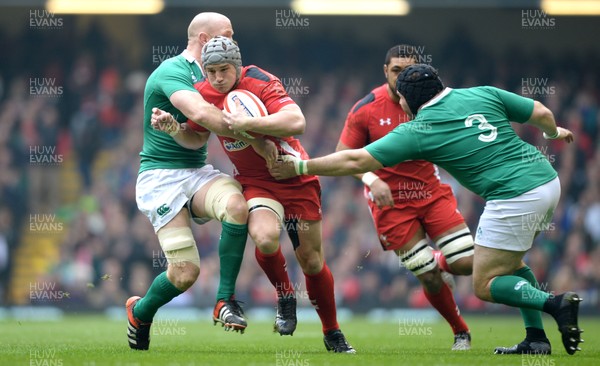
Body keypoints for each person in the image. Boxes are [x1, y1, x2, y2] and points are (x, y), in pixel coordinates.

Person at [270, 63, 583, 356]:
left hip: (514, 196)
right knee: (509, 263)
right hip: (546, 180)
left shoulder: (418, 130)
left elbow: (355, 159)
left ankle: (556, 304)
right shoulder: (481, 92)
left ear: (406, 101)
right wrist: (554, 134)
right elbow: (541, 111)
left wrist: (300, 165)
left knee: (485, 284)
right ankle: (536, 338)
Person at [152, 36, 355, 353]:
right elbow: (195, 138)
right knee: (263, 236)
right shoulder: (204, 93)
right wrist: (174, 128)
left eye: (224, 70)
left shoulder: (260, 80)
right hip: (256, 183)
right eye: (211, 71)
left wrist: (249, 123)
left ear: (237, 66)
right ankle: (286, 296)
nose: (218, 78)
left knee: (312, 262)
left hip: (293, 174)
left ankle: (332, 332)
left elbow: (297, 121)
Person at [128, 13, 276, 350]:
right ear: (208, 39)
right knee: (185, 273)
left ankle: (224, 301)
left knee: (237, 204)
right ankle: (140, 312)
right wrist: (259, 138)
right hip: (160, 177)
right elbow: (203, 115)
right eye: (230, 34)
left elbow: (196, 138)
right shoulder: (172, 71)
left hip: (196, 172)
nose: (235, 41)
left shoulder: (220, 76)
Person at [335, 45, 473, 350]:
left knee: (465, 263)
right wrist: (372, 179)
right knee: (429, 276)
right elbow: (343, 155)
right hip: (391, 203)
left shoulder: (432, 100)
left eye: (408, 70)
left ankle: (440, 258)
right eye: (396, 70)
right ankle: (461, 332)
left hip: (431, 194)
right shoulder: (366, 108)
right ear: (385, 71)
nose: (402, 77)